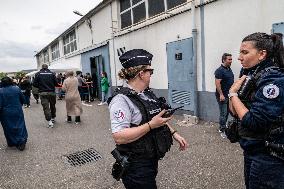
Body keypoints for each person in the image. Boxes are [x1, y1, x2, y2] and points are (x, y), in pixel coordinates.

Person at [108, 49, 188, 188]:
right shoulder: (121, 100)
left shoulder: (146, 93)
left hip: (150, 157)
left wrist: (174, 134)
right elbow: (119, 136)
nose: (151, 75)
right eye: (150, 71)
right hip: (136, 165)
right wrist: (151, 125)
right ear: (141, 74)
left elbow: (156, 119)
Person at [228, 32, 284, 188]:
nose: (239, 57)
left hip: (268, 157)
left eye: (245, 52)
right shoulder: (250, 75)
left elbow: (255, 121)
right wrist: (233, 95)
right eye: (240, 52)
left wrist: (232, 94)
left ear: (262, 54)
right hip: (251, 150)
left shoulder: (273, 80)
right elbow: (235, 112)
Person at [0, 77, 28, 151]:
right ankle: (21, 141)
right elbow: (23, 99)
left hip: (5, 112)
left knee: (8, 127)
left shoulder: (0, 91)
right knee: (20, 125)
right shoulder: (16, 88)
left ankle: (11, 142)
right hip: (17, 109)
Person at [214, 53, 234, 138]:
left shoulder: (229, 69)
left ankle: (224, 126)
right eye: (229, 59)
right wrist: (221, 95)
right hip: (222, 96)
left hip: (229, 95)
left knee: (227, 113)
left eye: (231, 59)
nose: (231, 61)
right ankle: (222, 130)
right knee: (223, 113)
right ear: (224, 60)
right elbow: (217, 83)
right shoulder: (219, 70)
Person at [33, 64, 57, 128]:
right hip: (52, 92)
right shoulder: (52, 74)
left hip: (43, 93)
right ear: (47, 67)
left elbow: (34, 84)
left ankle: (50, 122)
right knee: (52, 105)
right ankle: (53, 117)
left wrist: (40, 86)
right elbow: (56, 83)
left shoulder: (38, 74)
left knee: (46, 107)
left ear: (42, 67)